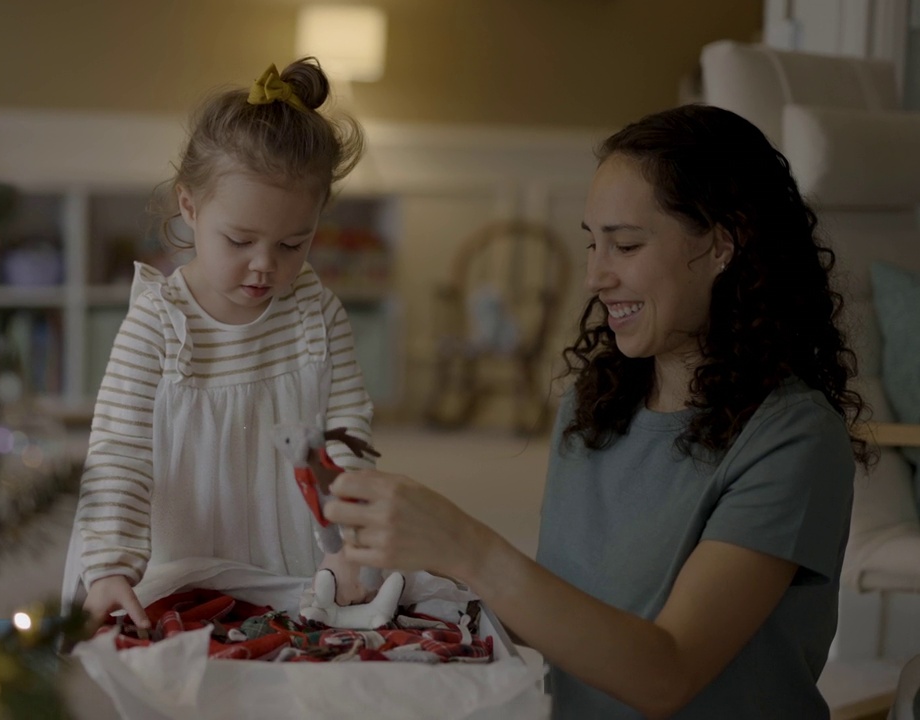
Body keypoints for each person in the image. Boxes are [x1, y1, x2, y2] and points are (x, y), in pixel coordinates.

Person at [324, 104, 871, 719]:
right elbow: (572, 622)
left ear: (722, 243)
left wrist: (468, 547)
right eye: (593, 242)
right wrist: (419, 572)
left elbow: (667, 673)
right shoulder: (598, 405)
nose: (595, 276)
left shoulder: (794, 437)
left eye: (626, 245)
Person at [61, 58, 377, 629]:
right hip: (177, 563)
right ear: (190, 207)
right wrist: (109, 566)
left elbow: (347, 434)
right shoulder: (158, 323)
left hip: (291, 558)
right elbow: (119, 451)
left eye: (292, 244)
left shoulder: (317, 312)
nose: (265, 266)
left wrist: (347, 539)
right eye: (239, 240)